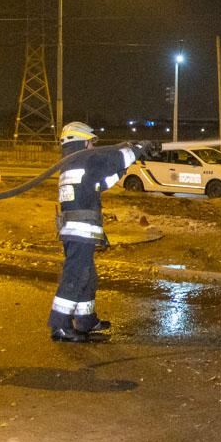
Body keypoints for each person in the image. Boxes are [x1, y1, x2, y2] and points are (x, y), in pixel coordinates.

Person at [49, 122, 154, 342]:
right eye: (90, 142)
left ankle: (86, 321)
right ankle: (59, 325)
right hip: (79, 231)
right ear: (81, 141)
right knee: (76, 276)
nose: (92, 146)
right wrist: (139, 148)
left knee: (88, 277)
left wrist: (125, 167)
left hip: (76, 231)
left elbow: (102, 181)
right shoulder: (84, 159)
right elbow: (115, 158)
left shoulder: (74, 163)